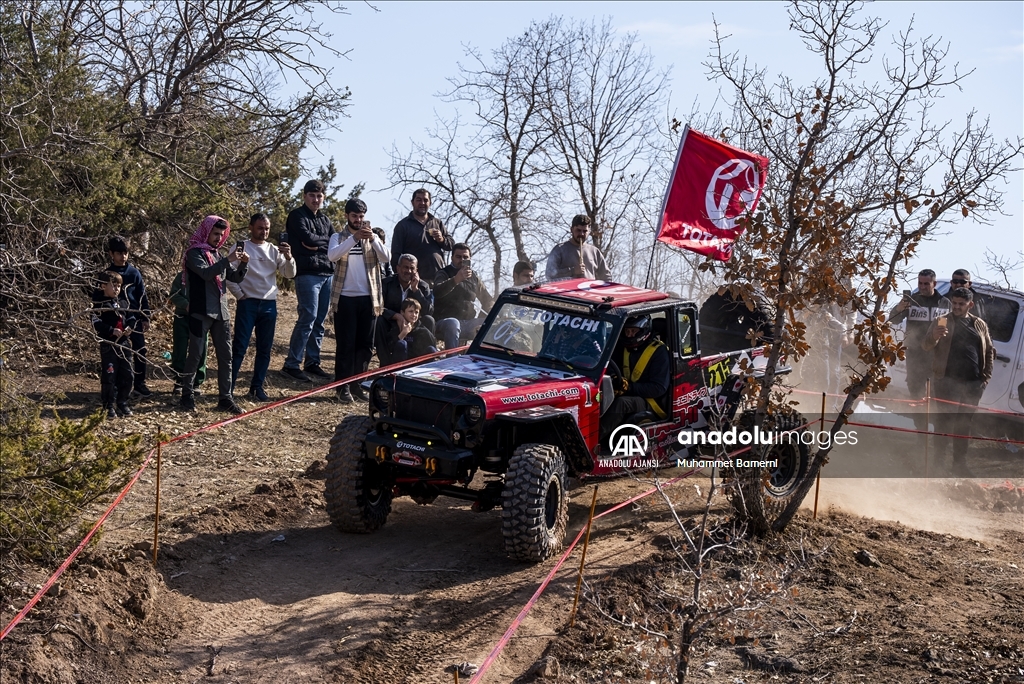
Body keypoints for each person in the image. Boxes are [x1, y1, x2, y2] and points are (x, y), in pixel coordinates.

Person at [921, 287, 994, 477]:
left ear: (970, 305)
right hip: (946, 381)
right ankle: (938, 464)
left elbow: (989, 352)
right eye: (954, 303)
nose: (957, 307)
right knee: (944, 422)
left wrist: (985, 378)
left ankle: (959, 465)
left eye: (961, 304)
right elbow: (926, 345)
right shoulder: (942, 320)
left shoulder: (979, 324)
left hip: (972, 383)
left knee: (964, 425)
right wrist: (934, 337)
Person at [179, 216, 249, 414]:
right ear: (206, 232)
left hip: (221, 312)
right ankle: (187, 394)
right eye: (215, 234)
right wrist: (229, 259)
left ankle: (225, 398)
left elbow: (233, 277)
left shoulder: (217, 255)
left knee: (226, 356)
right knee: (195, 355)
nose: (218, 238)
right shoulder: (194, 253)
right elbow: (206, 274)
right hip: (200, 311)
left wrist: (243, 264)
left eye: (221, 235)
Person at [227, 213, 296, 402]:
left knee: (264, 348)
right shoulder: (241, 246)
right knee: (240, 347)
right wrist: (240, 295)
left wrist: (289, 257)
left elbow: (289, 274)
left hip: (268, 304)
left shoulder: (275, 250)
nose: (264, 231)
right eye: (260, 228)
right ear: (251, 227)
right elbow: (228, 273)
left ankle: (257, 387)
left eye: (267, 228)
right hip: (247, 302)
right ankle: (229, 388)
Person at [328, 198, 389, 403]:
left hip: (369, 299)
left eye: (361, 216)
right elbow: (332, 256)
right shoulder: (338, 237)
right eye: (354, 216)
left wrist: (373, 239)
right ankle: (341, 386)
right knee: (346, 344)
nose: (358, 220)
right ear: (347, 216)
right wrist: (354, 238)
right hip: (344, 299)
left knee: (364, 345)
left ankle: (356, 385)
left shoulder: (371, 238)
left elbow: (387, 258)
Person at [281, 179, 334, 383]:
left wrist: (316, 243)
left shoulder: (326, 220)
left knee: (319, 322)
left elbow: (331, 242)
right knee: (308, 318)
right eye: (312, 195)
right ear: (304, 196)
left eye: (319, 195)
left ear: (323, 197)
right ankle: (291, 364)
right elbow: (307, 239)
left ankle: (312, 362)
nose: (316, 199)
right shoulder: (296, 215)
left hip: (327, 273)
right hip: (306, 273)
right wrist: (316, 243)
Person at [601, 314, 671, 441]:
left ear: (644, 330)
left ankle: (593, 441)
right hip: (626, 391)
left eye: (633, 331)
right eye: (627, 331)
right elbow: (610, 364)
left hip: (650, 402)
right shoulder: (622, 345)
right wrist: (613, 378)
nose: (629, 335)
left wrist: (629, 388)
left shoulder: (659, 352)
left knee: (622, 404)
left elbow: (659, 388)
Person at [890, 269, 951, 402]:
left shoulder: (944, 303)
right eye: (920, 283)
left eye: (926, 284)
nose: (922, 287)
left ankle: (932, 421)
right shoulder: (912, 301)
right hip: (915, 354)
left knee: (935, 394)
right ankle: (918, 421)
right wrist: (898, 309)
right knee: (915, 391)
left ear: (934, 284)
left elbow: (949, 329)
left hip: (935, 355)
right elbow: (893, 320)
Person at [106, 236, 152, 397]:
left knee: (140, 350)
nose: (123, 256)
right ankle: (116, 385)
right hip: (115, 319)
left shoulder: (134, 273)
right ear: (111, 253)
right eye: (119, 253)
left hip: (134, 318)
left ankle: (140, 383)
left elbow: (142, 296)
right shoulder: (107, 274)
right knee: (116, 352)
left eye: (125, 252)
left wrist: (145, 316)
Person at [377, 254, 435, 366]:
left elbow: (429, 311)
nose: (408, 271)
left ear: (416, 270)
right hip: (391, 323)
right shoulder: (386, 283)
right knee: (379, 321)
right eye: (405, 267)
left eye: (412, 268)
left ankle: (423, 362)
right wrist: (396, 316)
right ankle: (385, 365)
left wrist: (416, 290)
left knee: (429, 320)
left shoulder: (423, 286)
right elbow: (378, 307)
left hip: (414, 325)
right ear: (398, 268)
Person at [434, 243, 494, 349]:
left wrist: (483, 318)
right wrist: (456, 280)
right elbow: (437, 292)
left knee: (490, 324)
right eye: (458, 257)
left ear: (470, 258)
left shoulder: (474, 277)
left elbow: (488, 300)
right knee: (453, 323)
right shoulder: (443, 273)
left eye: (465, 257)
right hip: (445, 322)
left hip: (468, 323)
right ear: (452, 258)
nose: (462, 260)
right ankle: (452, 359)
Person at [91, 271, 134, 418]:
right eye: (113, 286)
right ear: (103, 286)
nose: (116, 289)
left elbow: (131, 317)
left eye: (119, 286)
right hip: (108, 344)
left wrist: (130, 327)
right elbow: (96, 323)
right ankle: (108, 405)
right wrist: (110, 330)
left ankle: (122, 401)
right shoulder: (98, 304)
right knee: (109, 375)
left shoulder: (123, 302)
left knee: (128, 374)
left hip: (124, 343)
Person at [391, 188, 453, 282]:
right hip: (415, 281)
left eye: (425, 200)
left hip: (438, 279)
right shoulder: (403, 225)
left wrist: (441, 240)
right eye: (418, 200)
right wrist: (401, 278)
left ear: (430, 203)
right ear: (412, 202)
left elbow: (451, 245)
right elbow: (396, 255)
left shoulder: (437, 223)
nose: (422, 203)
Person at [168, 272, 207, 396]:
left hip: (201, 317)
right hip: (182, 316)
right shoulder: (181, 277)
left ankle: (196, 382)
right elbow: (173, 294)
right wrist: (186, 305)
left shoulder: (206, 276)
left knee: (201, 348)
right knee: (180, 347)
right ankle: (180, 380)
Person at [545, 214, 610, 281]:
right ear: (571, 229)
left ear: (589, 231)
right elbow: (549, 274)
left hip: (587, 291)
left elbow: (607, 277)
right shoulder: (560, 249)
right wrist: (573, 271)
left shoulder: (595, 252)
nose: (581, 234)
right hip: (566, 290)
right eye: (578, 230)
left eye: (585, 231)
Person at [385, 299, 438, 364]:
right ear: (402, 312)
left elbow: (434, 347)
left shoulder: (422, 330)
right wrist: (403, 334)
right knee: (401, 344)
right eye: (411, 311)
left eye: (416, 312)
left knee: (431, 349)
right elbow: (390, 348)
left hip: (417, 364)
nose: (414, 315)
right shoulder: (396, 327)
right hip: (401, 364)